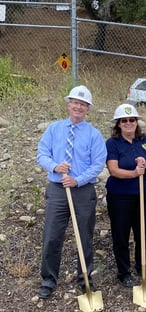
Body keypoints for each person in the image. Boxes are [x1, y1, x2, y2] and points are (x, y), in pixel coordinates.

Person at [36, 85, 107, 299]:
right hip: (57, 190)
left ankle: (85, 278)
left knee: (84, 235)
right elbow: (41, 154)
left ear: (88, 109)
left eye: (83, 104)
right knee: (52, 235)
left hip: (83, 191)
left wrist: (77, 179)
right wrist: (56, 167)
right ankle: (48, 279)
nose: (78, 107)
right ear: (68, 105)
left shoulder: (94, 134)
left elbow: (98, 164)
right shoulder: (54, 129)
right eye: (75, 102)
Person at [105, 104, 146, 287]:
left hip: (143, 193)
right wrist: (134, 174)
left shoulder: (144, 140)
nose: (129, 123)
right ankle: (123, 272)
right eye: (124, 120)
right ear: (118, 124)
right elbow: (113, 170)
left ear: (136, 122)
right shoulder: (112, 143)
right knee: (121, 234)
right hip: (120, 196)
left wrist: (145, 163)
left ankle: (141, 265)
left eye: (132, 120)